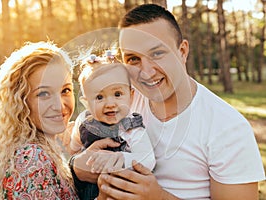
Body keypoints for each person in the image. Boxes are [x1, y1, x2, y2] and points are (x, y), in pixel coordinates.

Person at [70, 4, 265, 200]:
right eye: (133, 59)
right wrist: (78, 167)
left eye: (157, 53)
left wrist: (159, 197)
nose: (146, 72)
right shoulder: (123, 100)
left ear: (182, 51)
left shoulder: (227, 127)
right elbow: (73, 144)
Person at [0, 41, 79, 199]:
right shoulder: (32, 158)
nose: (60, 106)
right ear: (21, 102)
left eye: (65, 90)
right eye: (44, 94)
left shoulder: (48, 147)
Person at [69, 53, 155, 199]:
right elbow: (74, 148)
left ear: (131, 96)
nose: (110, 104)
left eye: (117, 94)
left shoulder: (131, 127)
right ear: (86, 103)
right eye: (99, 97)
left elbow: (148, 160)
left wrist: (121, 159)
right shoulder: (84, 121)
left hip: (120, 192)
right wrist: (80, 158)